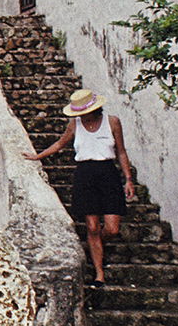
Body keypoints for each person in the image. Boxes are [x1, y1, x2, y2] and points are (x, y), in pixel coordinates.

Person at [24, 88, 136, 286]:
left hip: (108, 173)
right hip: (85, 174)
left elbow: (121, 151)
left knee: (112, 229)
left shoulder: (112, 122)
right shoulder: (74, 124)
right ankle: (99, 273)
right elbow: (60, 144)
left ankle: (94, 246)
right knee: (92, 226)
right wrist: (37, 156)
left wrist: (128, 179)